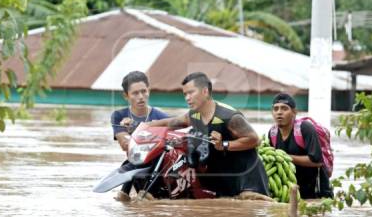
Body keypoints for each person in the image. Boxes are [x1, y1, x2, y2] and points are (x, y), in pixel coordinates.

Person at [147, 72, 270, 198]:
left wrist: (224, 144)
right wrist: (147, 125)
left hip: (246, 176)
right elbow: (173, 122)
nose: (187, 98)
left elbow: (255, 140)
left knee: (249, 202)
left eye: (191, 93)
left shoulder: (228, 116)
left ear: (205, 91)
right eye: (185, 94)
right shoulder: (194, 115)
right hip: (223, 178)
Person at [111, 71, 169, 201]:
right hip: (135, 170)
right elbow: (125, 145)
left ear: (149, 91)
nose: (141, 97)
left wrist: (136, 127)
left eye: (144, 91)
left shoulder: (162, 117)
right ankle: (125, 194)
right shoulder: (119, 116)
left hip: (158, 173)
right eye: (135, 93)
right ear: (126, 96)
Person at [268, 93, 333, 199]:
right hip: (290, 191)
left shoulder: (305, 128)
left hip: (315, 192)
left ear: (294, 112)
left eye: (284, 108)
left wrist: (286, 157)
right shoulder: (273, 132)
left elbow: (317, 161)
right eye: (276, 109)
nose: (279, 112)